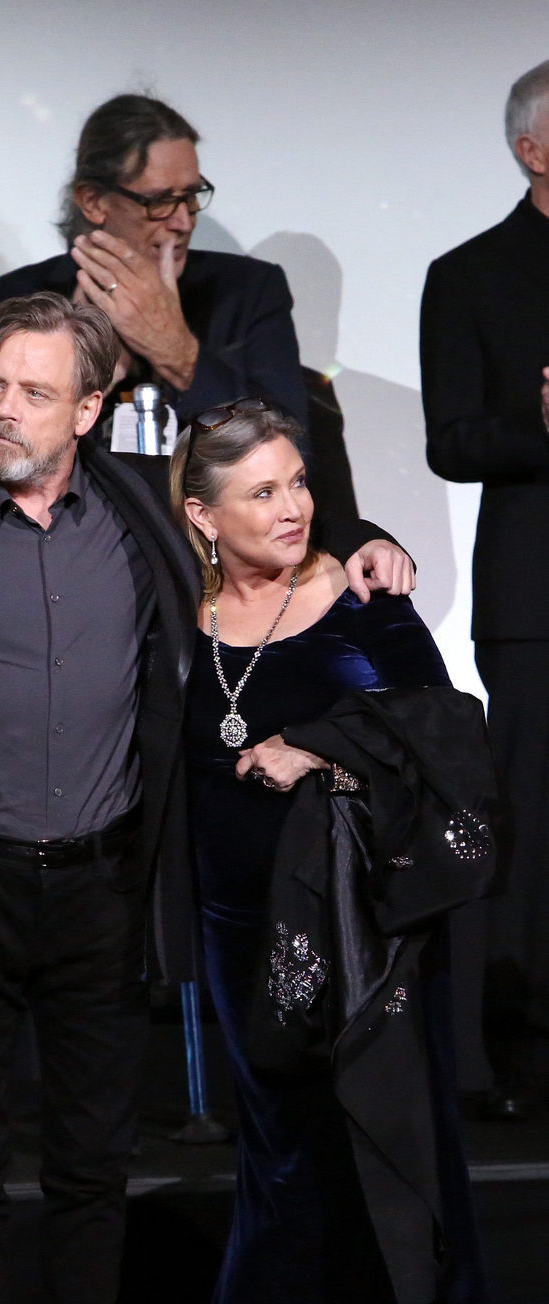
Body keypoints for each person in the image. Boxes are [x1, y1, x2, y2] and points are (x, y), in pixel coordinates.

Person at [0, 294, 411, 1304]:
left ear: (88, 410)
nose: (1, 407)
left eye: (33, 390)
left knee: (89, 1166)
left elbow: (256, 517)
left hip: (99, 889)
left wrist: (365, 534)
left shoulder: (139, 510)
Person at [164, 402, 496, 1304]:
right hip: (234, 939)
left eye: (297, 482)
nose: (294, 506)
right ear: (201, 515)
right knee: (285, 1177)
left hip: (368, 943)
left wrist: (320, 755)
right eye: (260, 491)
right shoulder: (176, 617)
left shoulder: (365, 602)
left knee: (377, 1165)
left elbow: (448, 753)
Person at [0, 94, 356, 518]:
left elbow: (297, 455)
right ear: (93, 201)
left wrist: (178, 353)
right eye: (159, 200)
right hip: (75, 543)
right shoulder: (17, 301)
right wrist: (89, 372)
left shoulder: (248, 292)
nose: (183, 220)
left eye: (192, 196)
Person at [419, 59, 549, 1118]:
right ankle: (519, 1041)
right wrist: (540, 425)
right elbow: (450, 444)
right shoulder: (468, 274)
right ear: (530, 148)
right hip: (535, 598)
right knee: (534, 824)